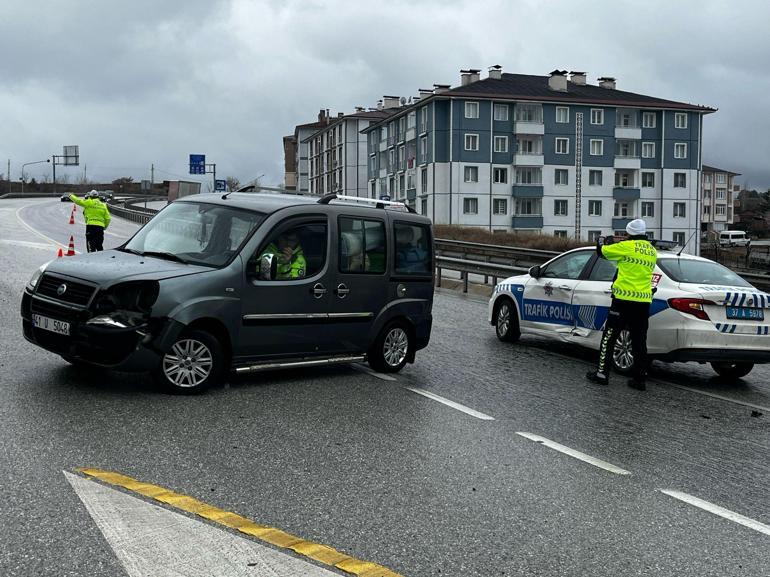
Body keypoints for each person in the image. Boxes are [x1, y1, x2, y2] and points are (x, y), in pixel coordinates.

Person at [586, 218, 657, 391]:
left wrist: (602, 241)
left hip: (623, 301)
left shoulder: (626, 247)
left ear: (629, 233)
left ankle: (602, 374)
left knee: (609, 337)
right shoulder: (652, 251)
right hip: (643, 302)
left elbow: (602, 252)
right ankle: (639, 379)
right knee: (639, 341)